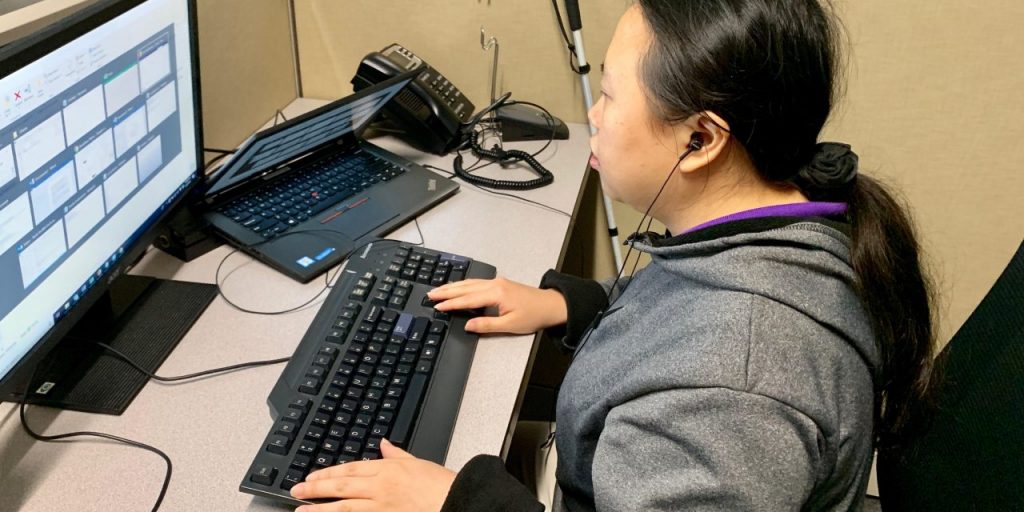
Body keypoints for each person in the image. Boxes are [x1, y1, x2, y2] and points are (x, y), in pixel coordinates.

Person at [288, 0, 937, 510]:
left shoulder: (728, 393)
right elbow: (681, 307)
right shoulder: (775, 219)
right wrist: (565, 302)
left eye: (610, 95)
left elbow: (708, 357)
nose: (592, 117)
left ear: (701, 137)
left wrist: (457, 502)